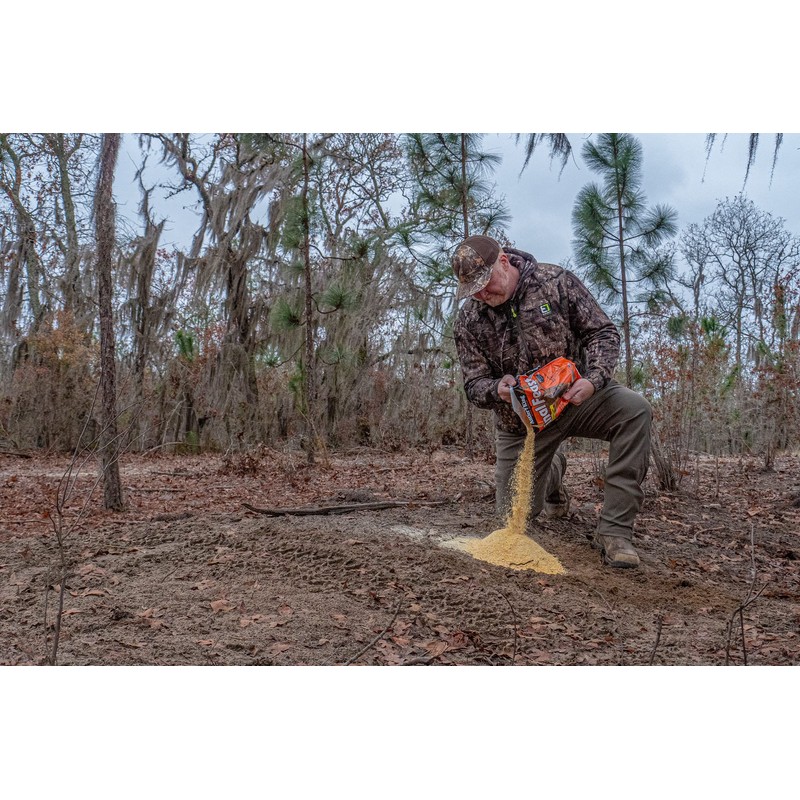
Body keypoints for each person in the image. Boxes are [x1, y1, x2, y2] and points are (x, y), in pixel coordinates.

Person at [452, 235, 652, 568]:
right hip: (520, 424)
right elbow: (473, 384)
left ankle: (615, 533)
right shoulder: (469, 320)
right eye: (474, 290)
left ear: (504, 261)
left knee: (635, 410)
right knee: (510, 526)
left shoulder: (554, 281)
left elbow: (602, 332)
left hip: (574, 400)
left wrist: (593, 379)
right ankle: (553, 471)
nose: (484, 295)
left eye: (487, 284)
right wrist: (495, 389)